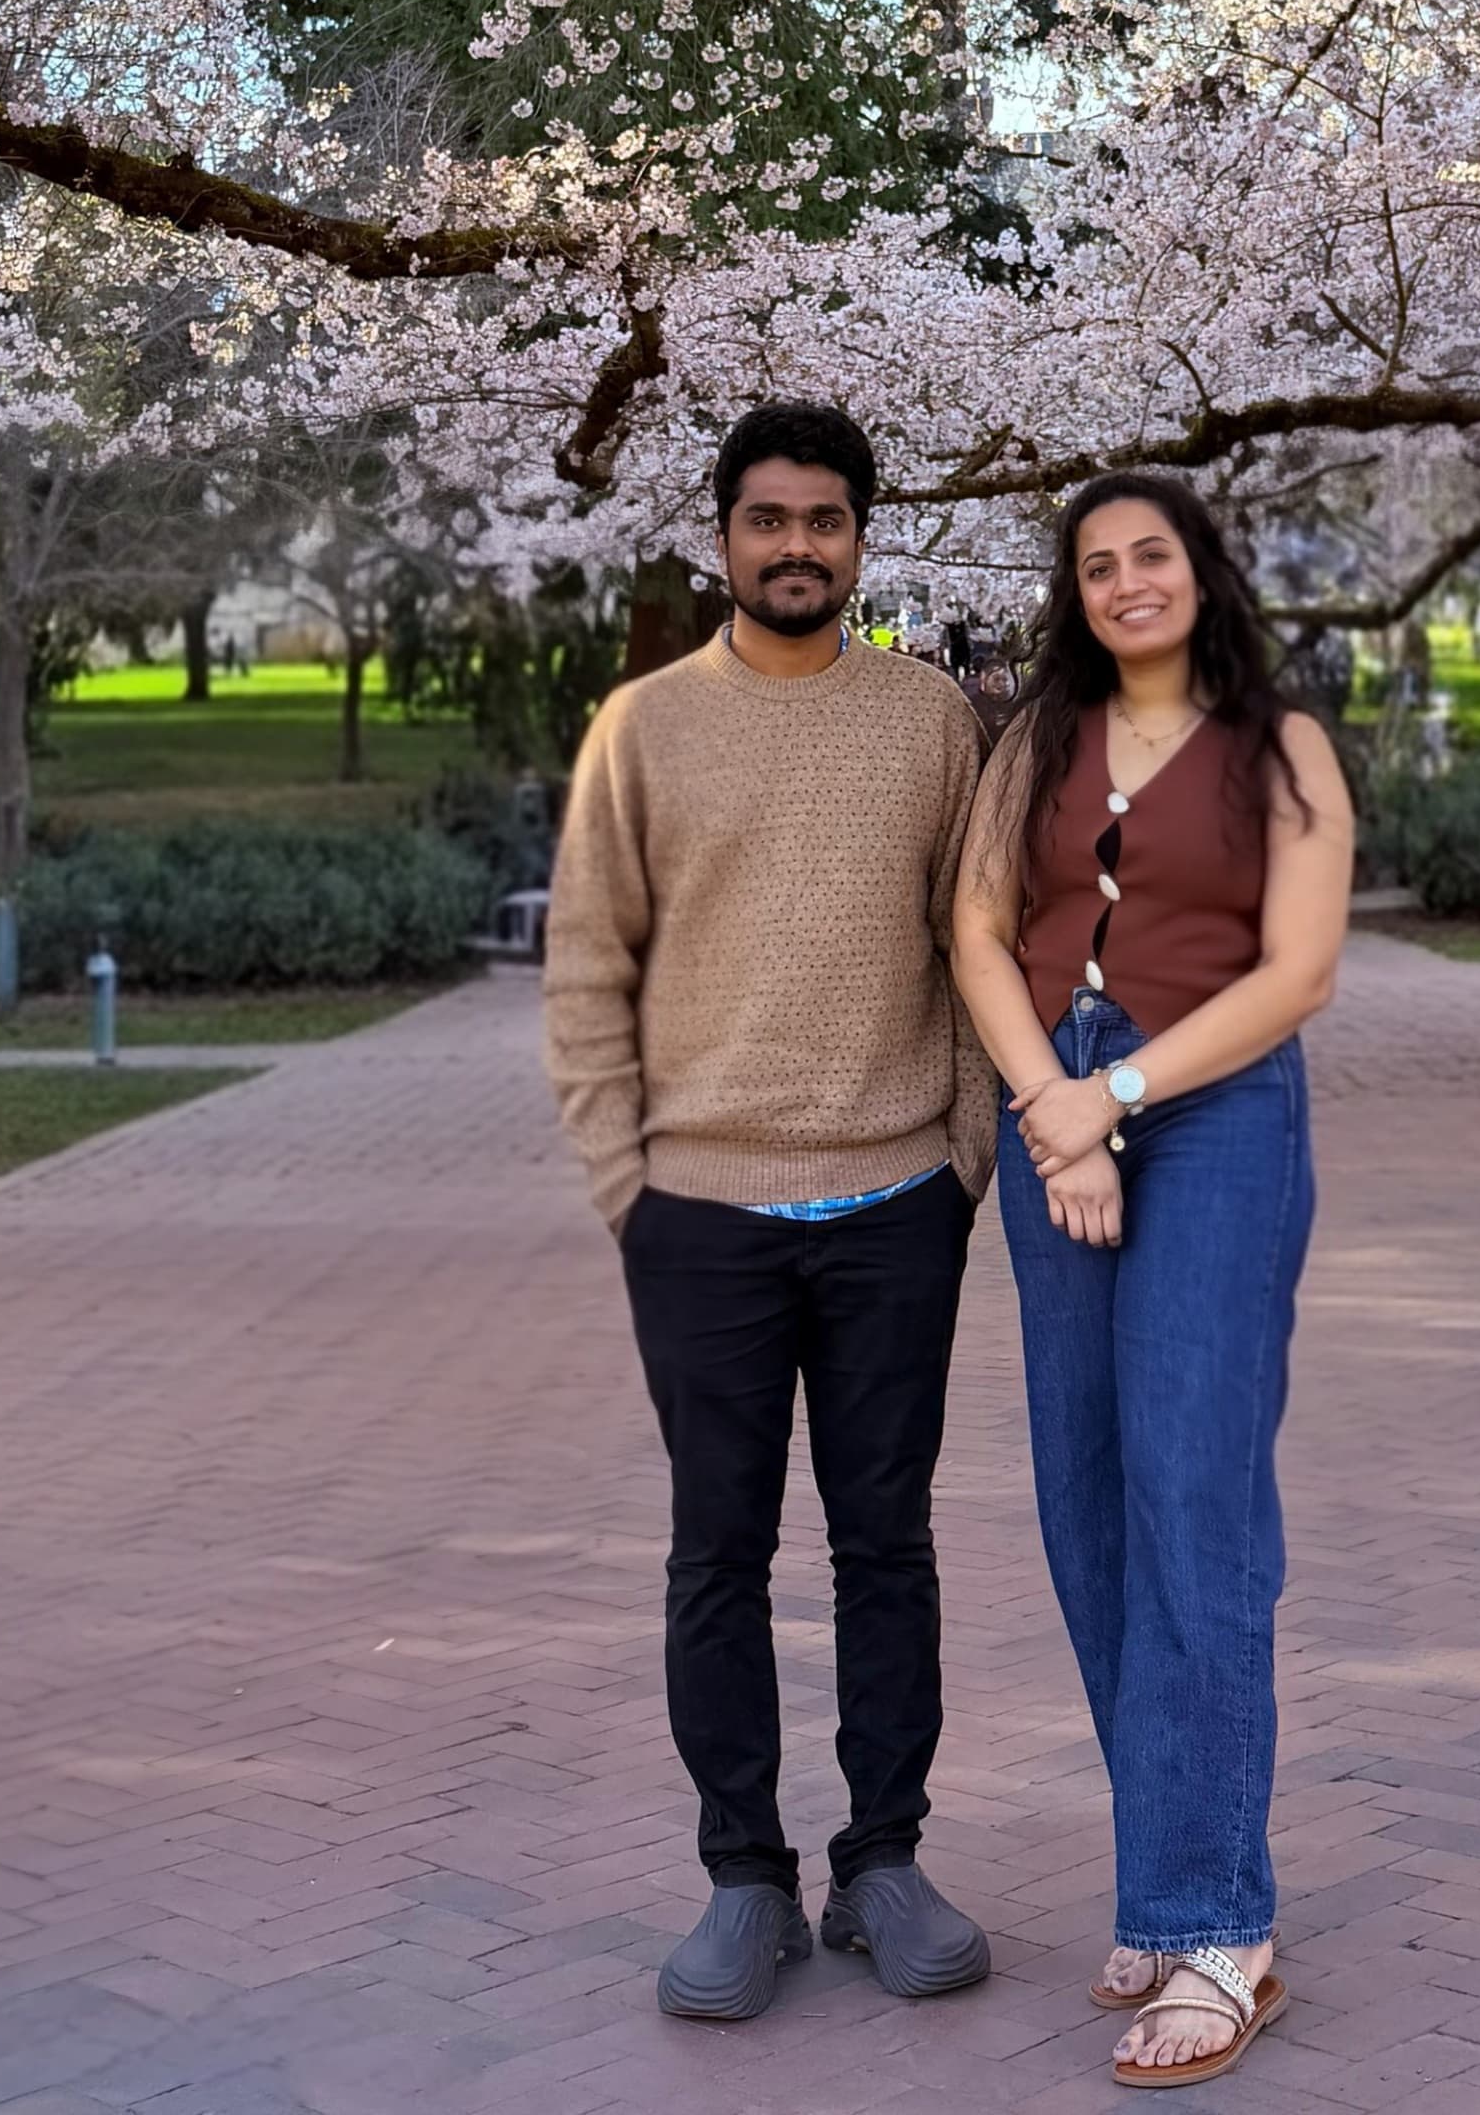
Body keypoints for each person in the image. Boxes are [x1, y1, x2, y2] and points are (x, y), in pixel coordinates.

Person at [543, 400, 996, 2025]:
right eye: (767, 519)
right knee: (716, 1553)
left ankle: (883, 1861)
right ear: (723, 536)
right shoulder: (646, 727)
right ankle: (746, 1876)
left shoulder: (933, 719)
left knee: (887, 1546)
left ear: (862, 539)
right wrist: (630, 1189)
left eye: (825, 521)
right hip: (704, 1217)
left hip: (894, 1205)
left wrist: (963, 1160)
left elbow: (977, 947)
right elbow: (588, 964)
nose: (796, 545)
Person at [953, 472, 1352, 2091]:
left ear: (1203, 572)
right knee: (1088, 1498)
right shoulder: (1033, 740)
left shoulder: (1284, 749)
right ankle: (1167, 1857)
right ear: (1076, 591)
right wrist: (1052, 1105)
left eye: (1153, 556)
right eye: (1098, 564)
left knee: (1195, 1498)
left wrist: (1110, 1103)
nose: (1127, 583)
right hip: (1053, 1103)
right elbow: (975, 930)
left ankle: (1216, 1926)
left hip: (1218, 1119)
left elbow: (1302, 971)